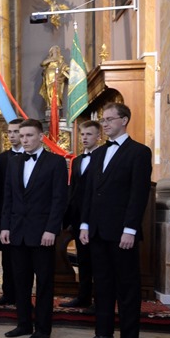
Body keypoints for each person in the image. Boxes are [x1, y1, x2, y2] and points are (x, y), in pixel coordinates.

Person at [79, 103, 152, 338]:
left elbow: (138, 195)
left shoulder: (139, 152)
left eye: (110, 119)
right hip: (97, 230)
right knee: (102, 284)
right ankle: (104, 333)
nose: (105, 123)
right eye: (103, 120)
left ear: (124, 120)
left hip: (122, 232)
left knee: (127, 287)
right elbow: (89, 193)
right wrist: (85, 224)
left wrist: (130, 229)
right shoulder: (98, 153)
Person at [0, 119, 67, 338]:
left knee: (44, 282)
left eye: (29, 135)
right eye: (22, 135)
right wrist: (5, 226)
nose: (24, 139)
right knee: (20, 281)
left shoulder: (56, 162)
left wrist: (51, 229)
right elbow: (8, 197)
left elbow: (59, 199)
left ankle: (43, 328)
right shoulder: (13, 162)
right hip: (17, 231)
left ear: (41, 136)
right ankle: (23, 323)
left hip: (42, 233)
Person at [61, 120, 101, 311]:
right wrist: (69, 218)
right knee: (83, 260)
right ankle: (83, 297)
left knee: (98, 261)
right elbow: (74, 190)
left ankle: (99, 300)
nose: (84, 138)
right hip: (78, 218)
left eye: (89, 134)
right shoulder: (76, 160)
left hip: (97, 216)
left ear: (98, 136)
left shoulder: (103, 157)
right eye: (83, 134)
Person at [0, 119, 23, 306]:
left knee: (23, 261)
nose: (12, 135)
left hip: (27, 217)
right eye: (9, 132)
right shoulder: (3, 158)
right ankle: (8, 293)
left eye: (16, 131)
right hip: (7, 216)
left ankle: (22, 296)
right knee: (7, 258)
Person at [39, 45, 69, 110]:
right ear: (51, 52)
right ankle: (50, 104)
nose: (55, 51)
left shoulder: (60, 59)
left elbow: (64, 66)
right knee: (49, 90)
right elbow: (42, 63)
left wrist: (70, 71)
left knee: (56, 90)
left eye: (56, 50)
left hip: (57, 77)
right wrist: (52, 59)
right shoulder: (49, 59)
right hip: (48, 77)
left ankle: (57, 104)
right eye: (54, 50)